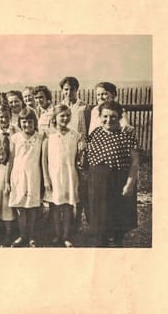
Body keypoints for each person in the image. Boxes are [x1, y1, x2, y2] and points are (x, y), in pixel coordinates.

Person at [87, 101, 140, 247]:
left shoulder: (127, 134)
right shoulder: (95, 133)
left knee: (118, 227)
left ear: (120, 117)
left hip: (119, 183)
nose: (108, 120)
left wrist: (129, 184)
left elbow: (135, 162)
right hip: (97, 184)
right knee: (100, 226)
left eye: (113, 117)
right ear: (99, 116)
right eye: (105, 116)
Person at [42, 104, 85, 247]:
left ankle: (66, 236)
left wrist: (81, 150)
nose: (65, 118)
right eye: (62, 116)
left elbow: (78, 157)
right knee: (55, 206)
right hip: (54, 175)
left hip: (69, 175)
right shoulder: (48, 134)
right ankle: (57, 234)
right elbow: (44, 159)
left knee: (67, 206)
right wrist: (46, 178)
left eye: (67, 115)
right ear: (55, 118)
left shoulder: (75, 135)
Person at [6, 108, 43, 247]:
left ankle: (31, 236)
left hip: (33, 175)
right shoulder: (15, 138)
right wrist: (7, 180)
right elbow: (11, 159)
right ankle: (22, 235)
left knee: (32, 207)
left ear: (35, 122)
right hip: (18, 175)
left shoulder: (40, 137)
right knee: (20, 207)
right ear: (20, 123)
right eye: (24, 122)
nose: (27, 124)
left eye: (30, 121)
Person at [59, 77, 90, 230]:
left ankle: (78, 218)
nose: (68, 92)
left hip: (79, 148)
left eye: (71, 89)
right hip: (64, 148)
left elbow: (87, 129)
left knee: (80, 185)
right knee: (66, 183)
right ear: (62, 90)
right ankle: (67, 219)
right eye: (65, 89)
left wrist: (83, 147)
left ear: (77, 90)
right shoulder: (59, 107)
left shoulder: (84, 107)